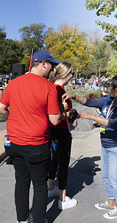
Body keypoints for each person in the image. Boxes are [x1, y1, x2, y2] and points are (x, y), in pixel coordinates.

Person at [0, 50, 64, 223]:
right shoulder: (48, 87)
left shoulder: (13, 83)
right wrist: (64, 113)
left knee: (21, 181)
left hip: (15, 143)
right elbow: (54, 120)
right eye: (51, 65)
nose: (52, 69)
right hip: (37, 145)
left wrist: (11, 118)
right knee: (40, 184)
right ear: (43, 63)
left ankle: (21, 219)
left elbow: (1, 108)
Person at [63, 75, 117, 219]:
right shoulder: (110, 100)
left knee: (114, 178)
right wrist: (73, 96)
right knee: (106, 176)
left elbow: (115, 123)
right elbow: (91, 102)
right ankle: (111, 201)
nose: (111, 88)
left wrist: (92, 117)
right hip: (106, 144)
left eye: (114, 87)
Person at [47, 62, 78, 210]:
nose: (73, 76)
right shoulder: (58, 90)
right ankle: (63, 199)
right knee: (63, 163)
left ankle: (51, 187)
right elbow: (60, 113)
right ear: (66, 74)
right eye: (72, 73)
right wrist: (71, 114)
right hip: (61, 129)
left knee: (55, 159)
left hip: (52, 129)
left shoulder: (51, 88)